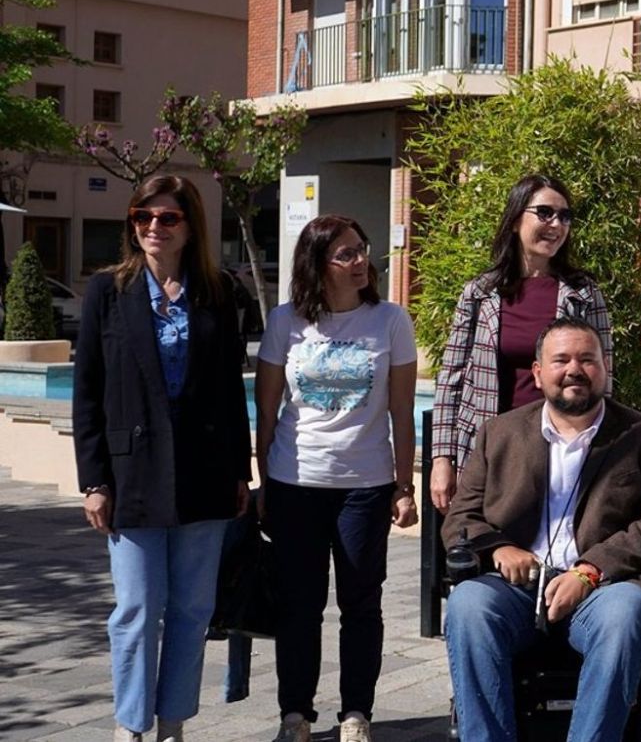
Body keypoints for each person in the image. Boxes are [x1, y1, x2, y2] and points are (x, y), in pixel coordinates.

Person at [443, 317, 641, 741]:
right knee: (467, 605)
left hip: (605, 587)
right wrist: (499, 548)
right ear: (538, 373)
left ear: (604, 368)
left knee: (626, 612)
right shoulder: (499, 433)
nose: (574, 369)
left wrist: (589, 571)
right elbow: (461, 517)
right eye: (561, 360)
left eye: (587, 359)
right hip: (515, 586)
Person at [73, 175, 251, 742]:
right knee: (135, 611)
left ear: (189, 225)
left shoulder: (218, 291)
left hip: (204, 475)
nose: (153, 227)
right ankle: (131, 725)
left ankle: (172, 723)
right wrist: (95, 479)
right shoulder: (108, 291)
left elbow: (229, 390)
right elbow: (88, 391)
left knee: (193, 610)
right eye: (142, 216)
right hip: (132, 478)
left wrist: (240, 472)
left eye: (167, 218)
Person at [255, 214, 419, 742]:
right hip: (293, 481)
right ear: (317, 265)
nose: (360, 262)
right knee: (299, 605)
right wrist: (261, 480)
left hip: (364, 485)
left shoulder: (391, 321)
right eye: (346, 254)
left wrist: (402, 485)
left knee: (360, 603)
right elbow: (266, 409)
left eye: (361, 249)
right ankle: (295, 714)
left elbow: (400, 411)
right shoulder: (285, 322)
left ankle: (356, 714)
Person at [430, 174, 612, 512]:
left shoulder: (583, 293)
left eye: (564, 216)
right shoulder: (480, 293)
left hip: (562, 447)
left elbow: (604, 375)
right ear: (515, 220)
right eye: (544, 213)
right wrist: (442, 458)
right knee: (488, 548)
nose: (556, 224)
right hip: (489, 447)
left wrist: (602, 450)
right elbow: (451, 378)